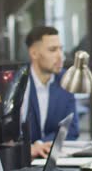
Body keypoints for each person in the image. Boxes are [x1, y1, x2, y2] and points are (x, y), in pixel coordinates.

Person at [21, 26, 79, 159]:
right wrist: (28, 148)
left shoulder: (66, 80)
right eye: (53, 50)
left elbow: (72, 129)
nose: (60, 56)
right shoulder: (20, 83)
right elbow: (9, 133)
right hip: (24, 159)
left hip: (51, 157)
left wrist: (42, 144)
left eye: (61, 49)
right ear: (34, 53)